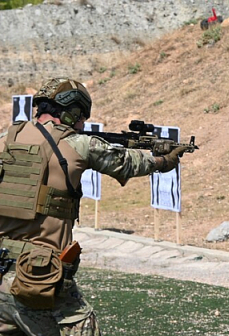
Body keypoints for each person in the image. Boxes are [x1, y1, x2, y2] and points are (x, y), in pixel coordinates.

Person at [0, 77, 185, 335]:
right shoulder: (79, 144)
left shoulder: (7, 138)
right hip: (38, 276)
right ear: (73, 112)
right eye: (80, 117)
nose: (81, 124)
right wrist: (164, 160)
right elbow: (126, 162)